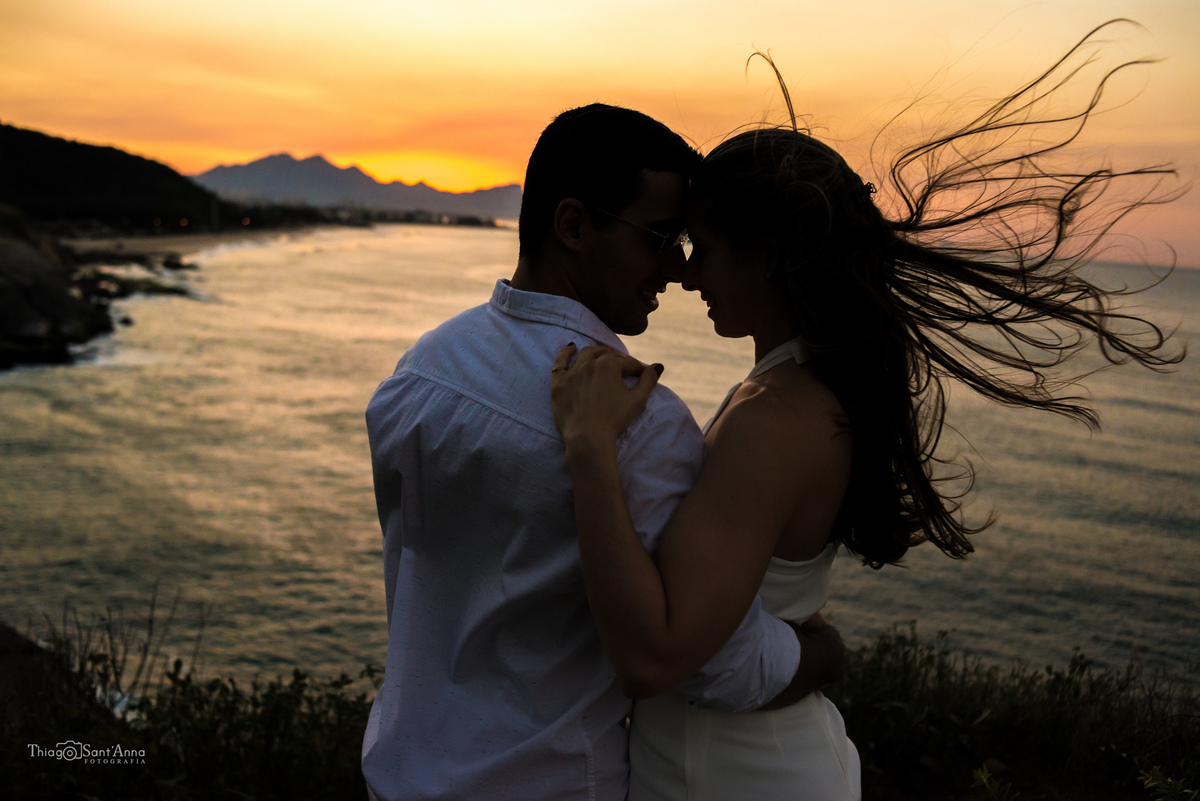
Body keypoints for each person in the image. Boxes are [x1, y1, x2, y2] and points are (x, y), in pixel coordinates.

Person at [548, 29, 1181, 801]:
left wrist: (588, 451)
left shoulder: (779, 416)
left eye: (704, 248)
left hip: (731, 775)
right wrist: (814, 654)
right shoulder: (792, 389)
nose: (685, 273)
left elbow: (656, 657)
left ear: (769, 255)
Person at [360, 103, 846, 801]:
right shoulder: (639, 423)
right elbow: (701, 662)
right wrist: (820, 653)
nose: (676, 270)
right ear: (574, 226)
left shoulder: (418, 375)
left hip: (399, 774)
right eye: (659, 238)